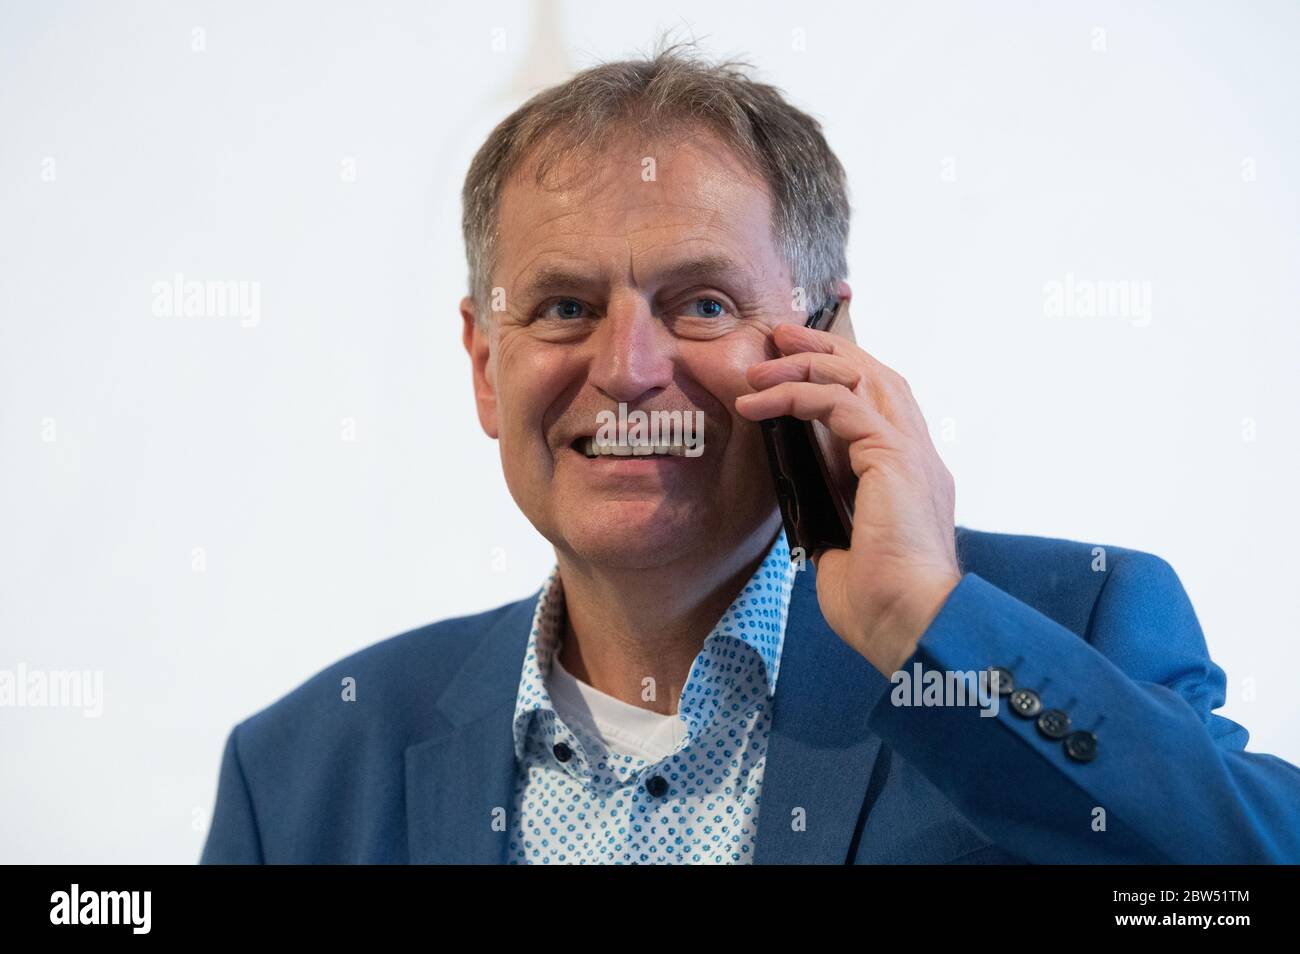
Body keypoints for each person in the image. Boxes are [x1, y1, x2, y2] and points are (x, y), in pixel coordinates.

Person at [200, 41, 1300, 864]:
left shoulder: (1065, 631)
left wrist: (925, 619)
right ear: (486, 365)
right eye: (565, 306)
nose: (628, 368)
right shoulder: (300, 775)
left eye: (703, 302)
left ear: (826, 341)